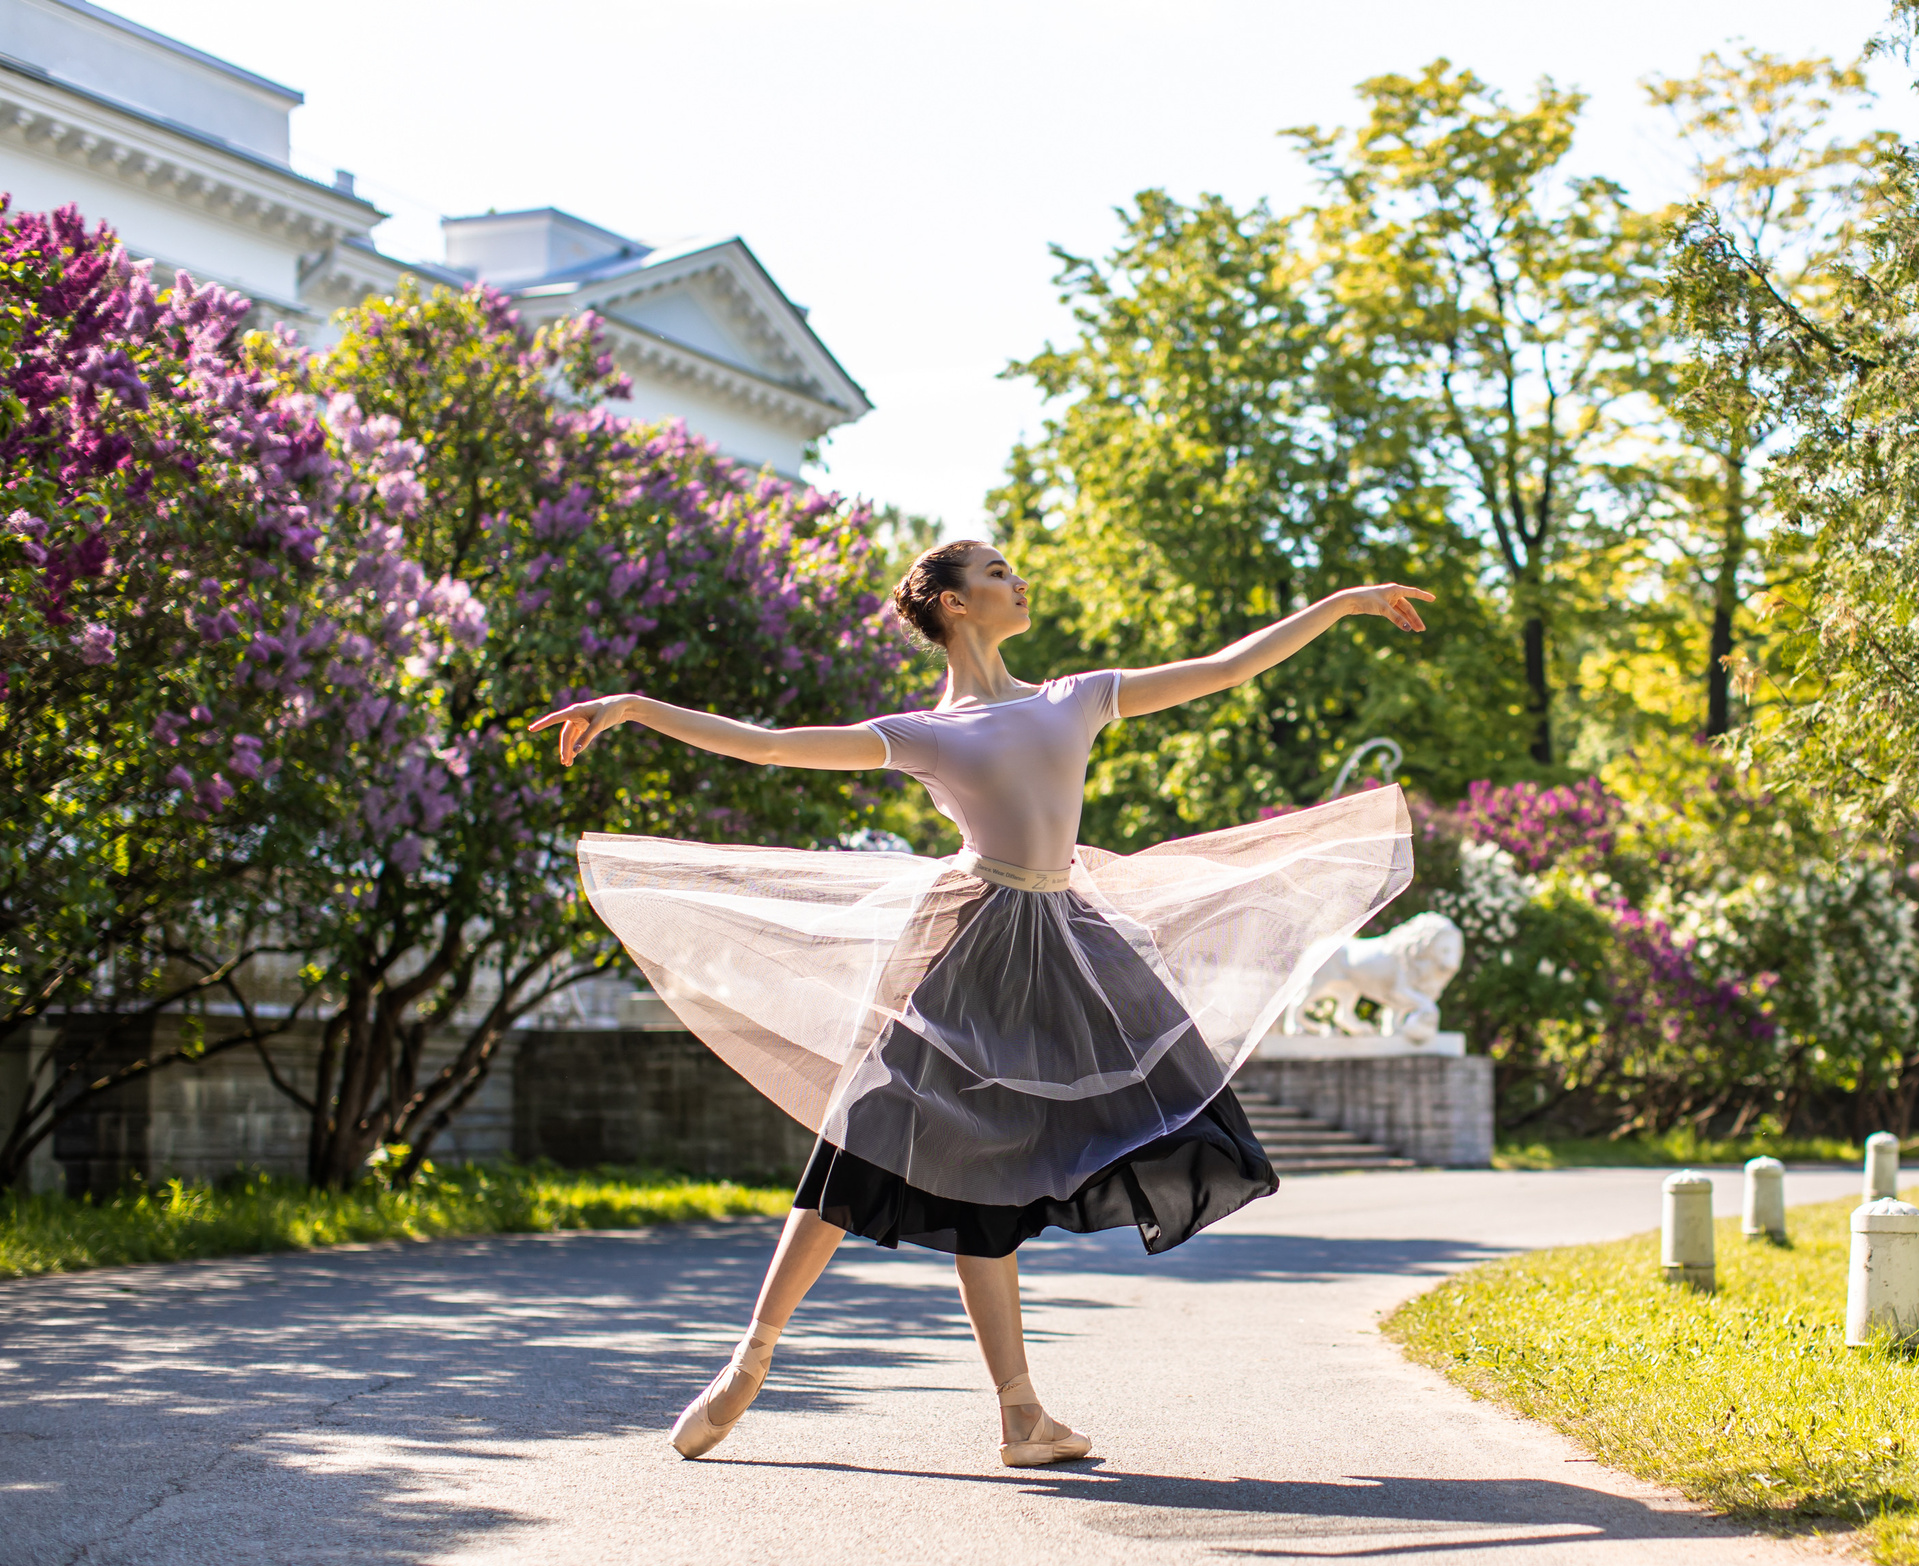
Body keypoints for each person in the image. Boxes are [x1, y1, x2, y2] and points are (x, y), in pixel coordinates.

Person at [529, 541, 1431, 1467]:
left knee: (992, 1183)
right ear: (955, 605)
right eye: (998, 572)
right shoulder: (926, 732)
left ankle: (1021, 1416)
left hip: (1068, 948)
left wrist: (1344, 602)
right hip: (968, 947)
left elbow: (1227, 667)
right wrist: (633, 706)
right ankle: (747, 1363)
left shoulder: (1074, 696)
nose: (1019, 580)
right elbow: (767, 747)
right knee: (857, 1149)